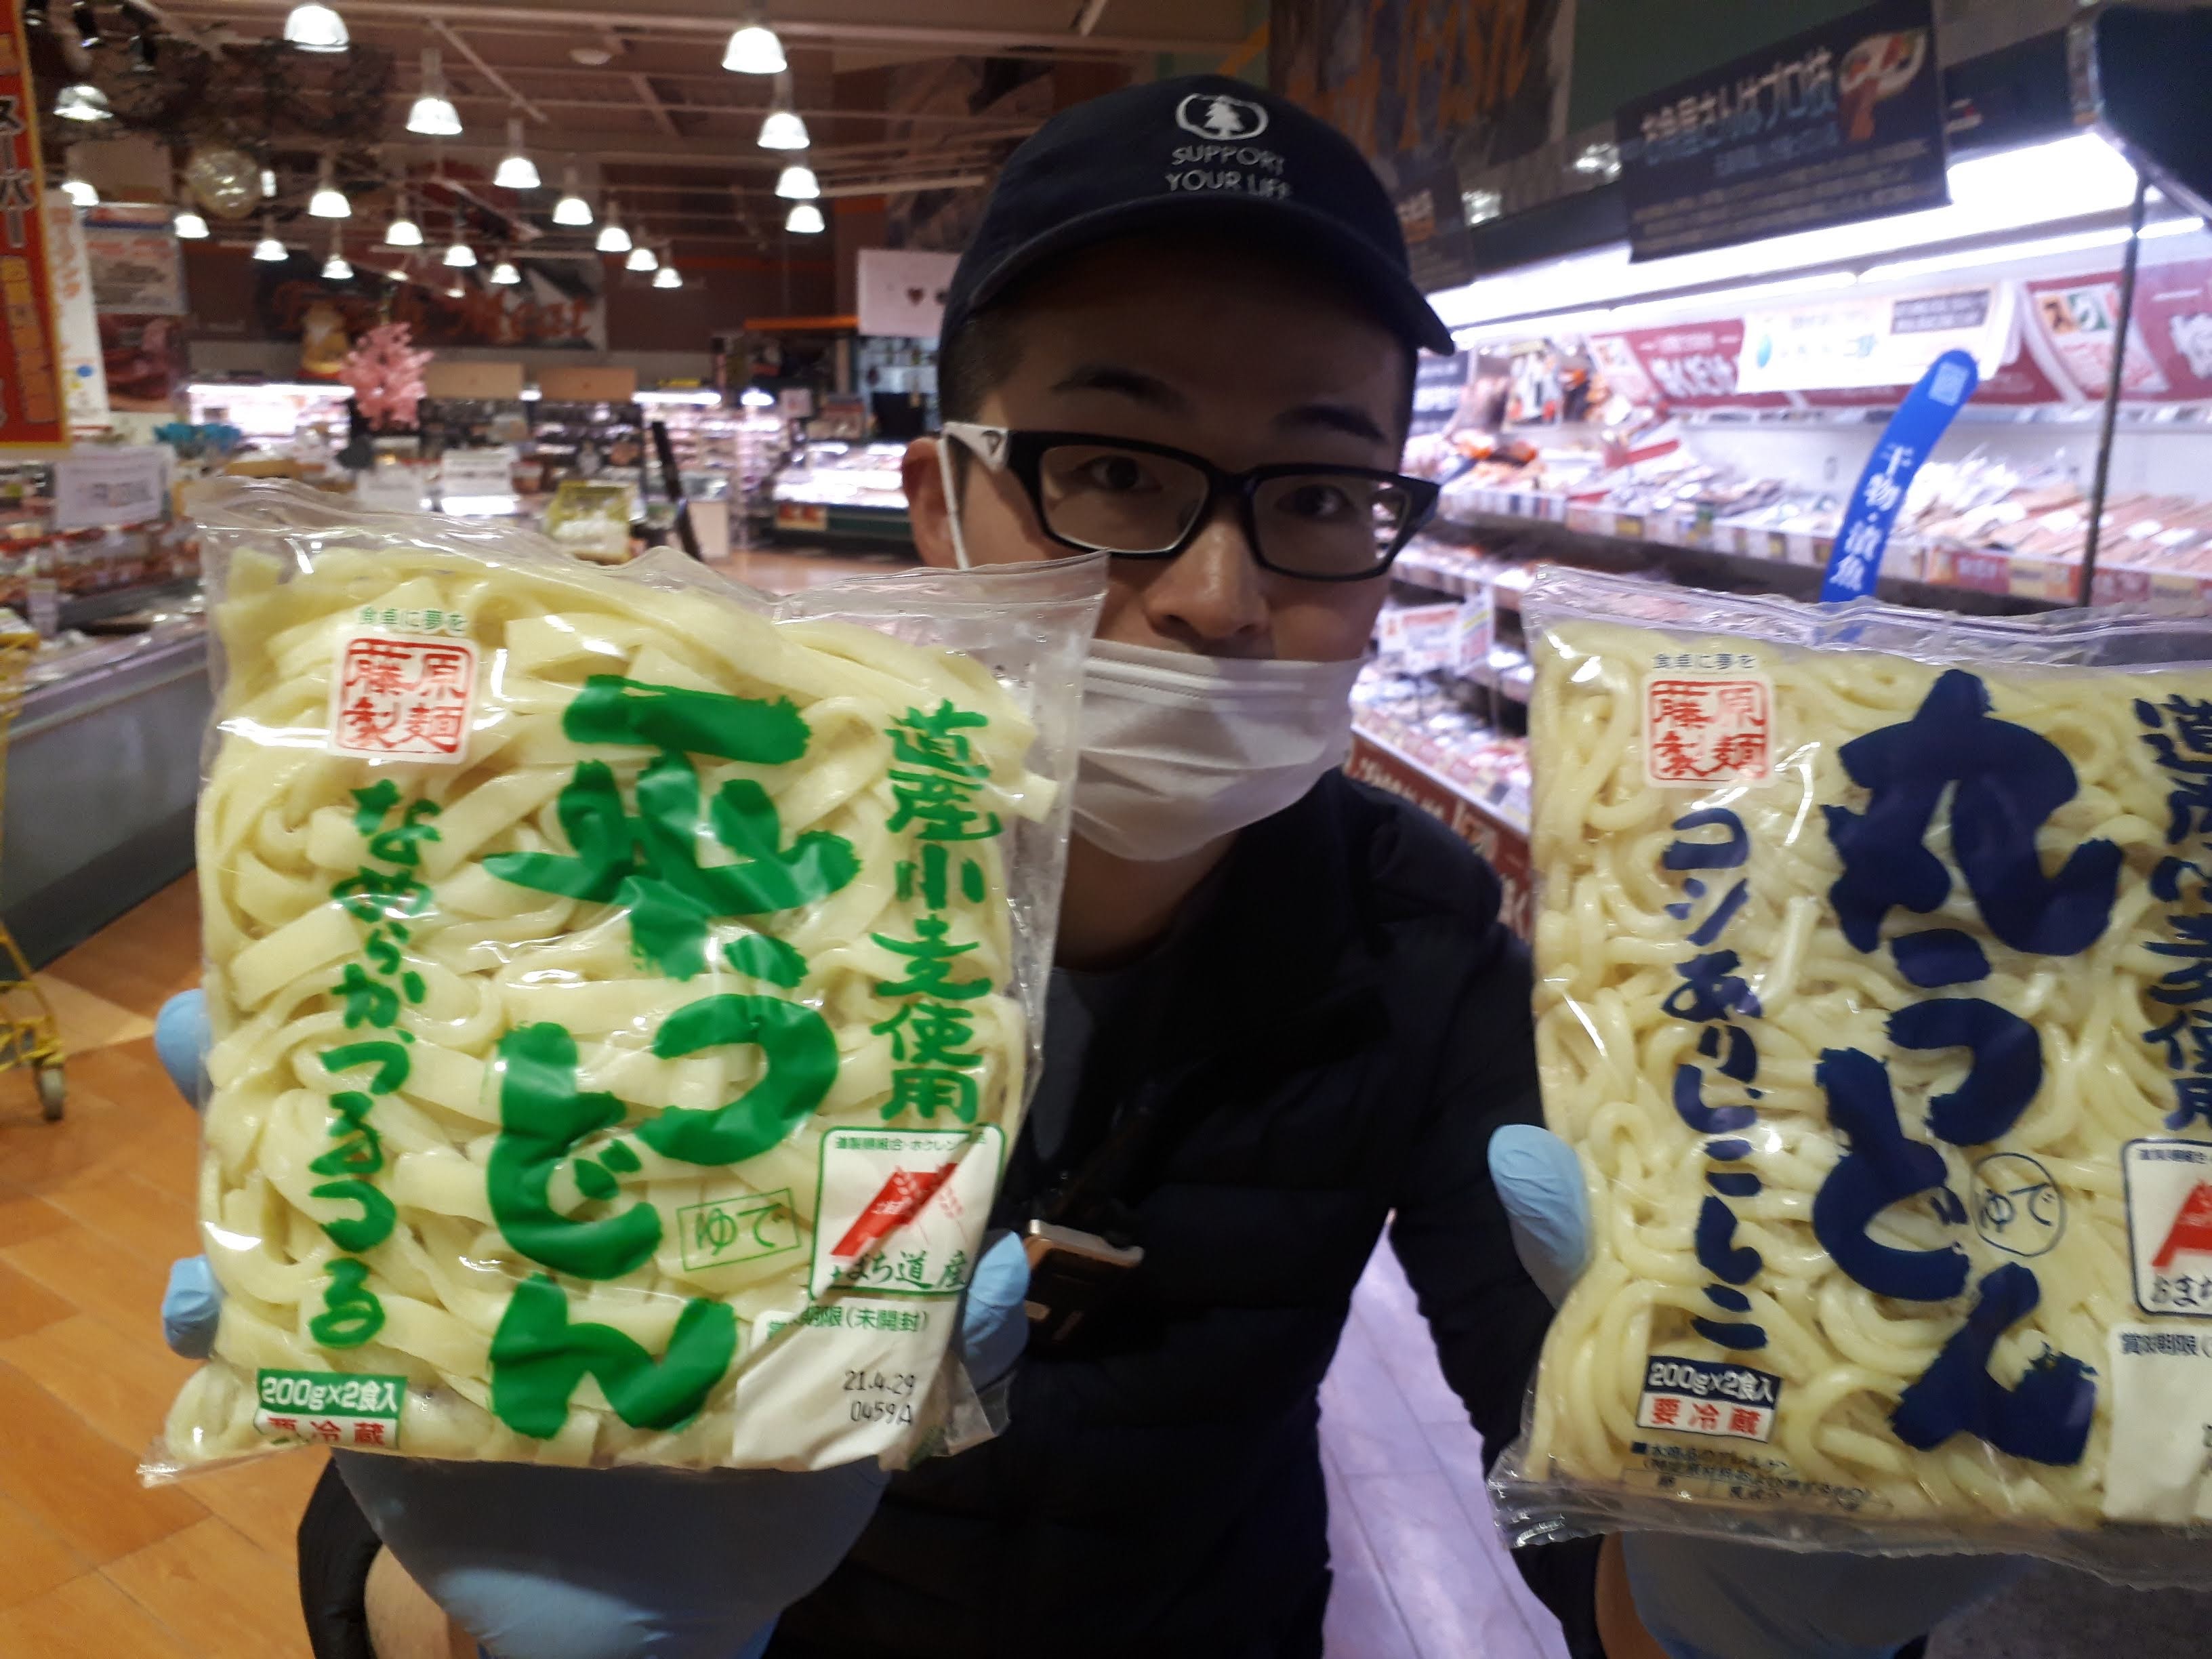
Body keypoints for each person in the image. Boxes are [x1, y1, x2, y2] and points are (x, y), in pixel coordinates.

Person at [161, 75, 2018, 1659]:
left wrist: (1752, 1591)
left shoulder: (1422, 939)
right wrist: (523, 1618)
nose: (1220, 597)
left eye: (1319, 493)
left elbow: (1586, 1528)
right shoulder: (666, 865)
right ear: (941, 503)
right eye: (1115, 471)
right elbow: (426, 1444)